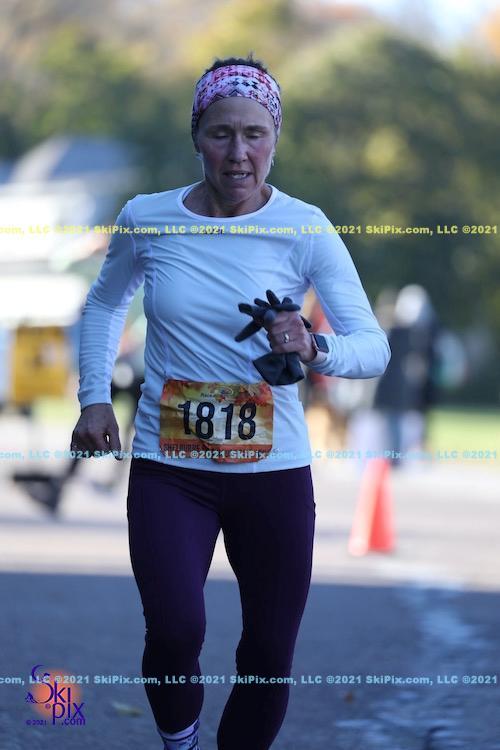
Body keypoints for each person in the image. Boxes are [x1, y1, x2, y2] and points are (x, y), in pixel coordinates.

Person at [70, 54, 390, 750]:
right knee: (175, 630)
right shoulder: (148, 218)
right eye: (221, 133)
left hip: (272, 473)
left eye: (254, 134)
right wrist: (94, 399)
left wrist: (313, 345)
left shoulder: (305, 226)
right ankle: (180, 741)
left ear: (275, 139)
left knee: (269, 657)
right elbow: (104, 306)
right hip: (171, 468)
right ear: (197, 136)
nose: (238, 152)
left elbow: (373, 347)